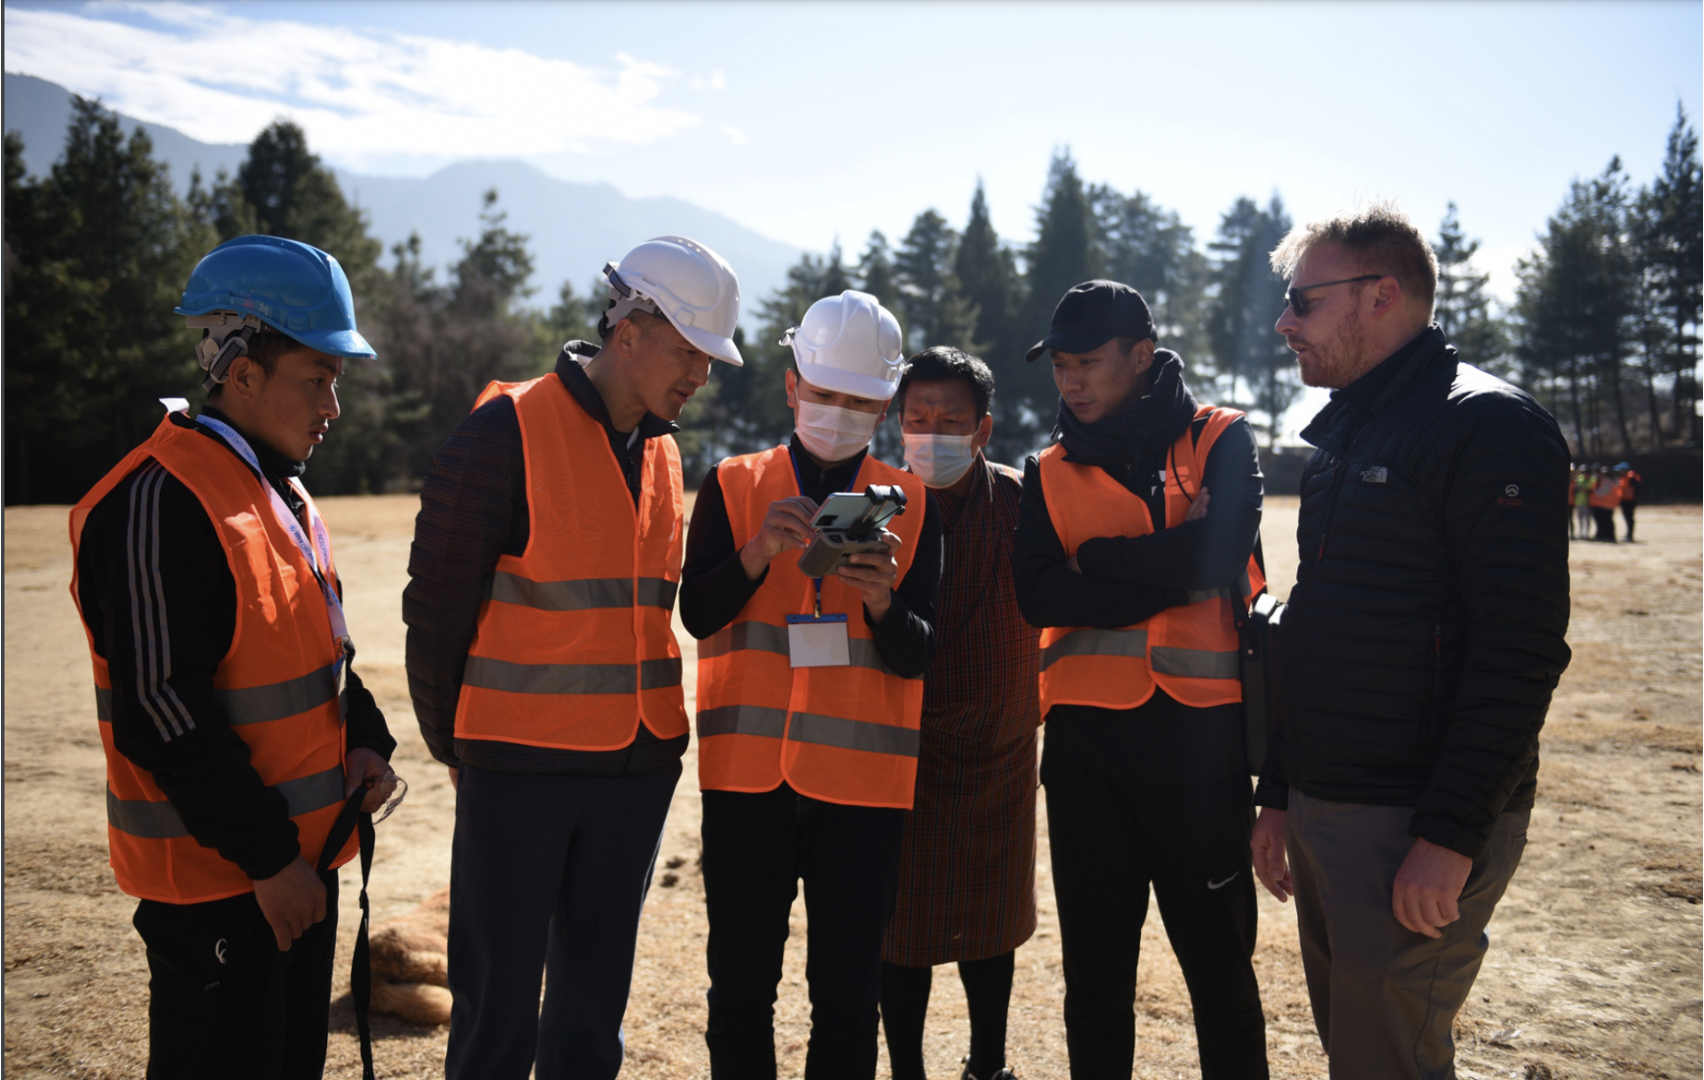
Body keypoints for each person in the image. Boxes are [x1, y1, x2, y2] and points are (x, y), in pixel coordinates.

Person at [403, 236, 743, 1079]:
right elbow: (437, 607)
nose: (701, 375)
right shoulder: (503, 433)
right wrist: (459, 748)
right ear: (629, 328)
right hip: (518, 769)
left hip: (634, 771)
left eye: (712, 358)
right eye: (690, 351)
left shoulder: (663, 451)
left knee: (592, 1016)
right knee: (498, 1013)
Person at [1251, 202, 1571, 1080]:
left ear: (1381, 294)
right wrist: (1280, 793)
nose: (1285, 322)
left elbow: (1521, 648)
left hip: (1413, 822)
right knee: (1359, 1045)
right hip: (1331, 808)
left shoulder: (1492, 427)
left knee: (1388, 1056)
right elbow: (1313, 630)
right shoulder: (1344, 440)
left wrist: (1451, 833)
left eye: (1303, 301)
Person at [69, 234, 400, 1079]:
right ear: (240, 370)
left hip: (297, 868)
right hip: (226, 884)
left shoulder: (278, 484)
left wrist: (365, 735)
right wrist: (269, 860)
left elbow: (322, 645)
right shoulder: (155, 502)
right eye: (318, 380)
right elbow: (162, 712)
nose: (334, 407)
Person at [678, 290, 942, 1080]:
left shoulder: (912, 501)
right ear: (792, 386)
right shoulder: (731, 484)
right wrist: (758, 551)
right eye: (825, 394)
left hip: (862, 792)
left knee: (847, 999)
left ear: (885, 403)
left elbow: (921, 653)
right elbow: (697, 611)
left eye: (859, 400)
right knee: (740, 993)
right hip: (745, 784)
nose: (838, 412)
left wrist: (883, 601)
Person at [1012, 280, 1270, 1080]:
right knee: (1094, 983)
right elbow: (1037, 595)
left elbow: (1218, 558)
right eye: (1060, 366)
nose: (1071, 382)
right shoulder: (1045, 470)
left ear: (1142, 356)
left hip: (1200, 750)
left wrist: (1093, 560)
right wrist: (1171, 568)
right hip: (1086, 755)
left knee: (1220, 975)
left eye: (1087, 362)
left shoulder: (1221, 438)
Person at [880, 347, 1039, 1080]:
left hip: (1002, 746)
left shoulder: (1023, 501)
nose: (931, 433)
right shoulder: (876, 505)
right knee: (899, 930)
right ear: (897, 424)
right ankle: (906, 1068)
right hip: (900, 748)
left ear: (983, 429)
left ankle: (990, 1062)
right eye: (917, 419)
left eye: (950, 420)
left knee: (991, 926)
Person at [1588, 464, 1621, 542]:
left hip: (1606, 505)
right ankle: (1605, 535)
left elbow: (1601, 493)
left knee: (1607, 522)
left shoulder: (1607, 482)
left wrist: (1594, 491)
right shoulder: (1609, 481)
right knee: (1606, 521)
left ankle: (1609, 536)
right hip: (1606, 505)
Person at [1615, 461, 1642, 541]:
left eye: (1620, 469)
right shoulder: (1622, 477)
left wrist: (1634, 499)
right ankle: (1628, 534)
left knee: (1629, 518)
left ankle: (1630, 536)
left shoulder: (1631, 477)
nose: (1619, 471)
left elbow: (1636, 489)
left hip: (1629, 501)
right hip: (1624, 501)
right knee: (1626, 518)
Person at [1571, 466, 1593, 541]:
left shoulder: (1592, 480)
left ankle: (1586, 533)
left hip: (1588, 502)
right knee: (1580, 518)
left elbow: (1591, 490)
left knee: (1587, 519)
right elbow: (1576, 489)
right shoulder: (1579, 479)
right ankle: (1580, 533)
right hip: (1579, 502)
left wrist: (1584, 489)